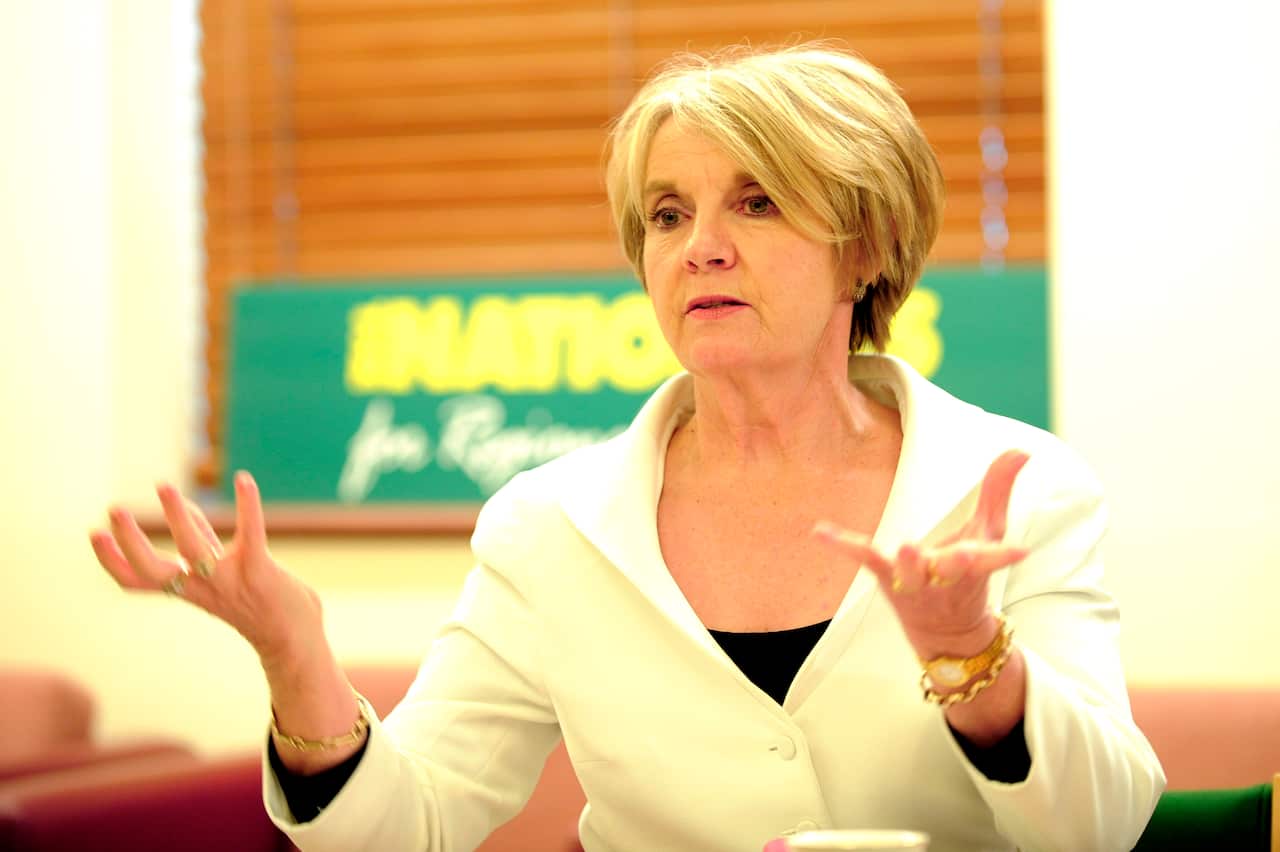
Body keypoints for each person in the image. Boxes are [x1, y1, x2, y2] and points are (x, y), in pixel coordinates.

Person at [89, 43, 1164, 852]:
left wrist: (973, 661)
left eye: (755, 201)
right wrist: (297, 660)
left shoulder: (1011, 494)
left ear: (866, 249)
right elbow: (404, 827)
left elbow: (1106, 825)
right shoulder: (548, 525)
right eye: (663, 214)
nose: (698, 246)